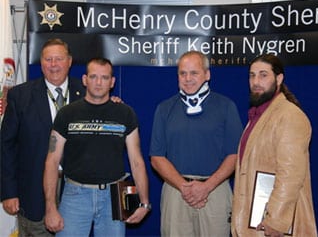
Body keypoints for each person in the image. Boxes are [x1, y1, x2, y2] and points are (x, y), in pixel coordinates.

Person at [43, 57, 150, 236]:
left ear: (112, 82)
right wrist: (50, 207)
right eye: (93, 77)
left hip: (114, 195)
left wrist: (144, 203)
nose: (98, 82)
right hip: (74, 195)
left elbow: (136, 161)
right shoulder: (67, 114)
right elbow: (52, 161)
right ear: (85, 80)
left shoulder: (125, 113)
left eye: (104, 77)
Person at [150, 50, 243, 236]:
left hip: (215, 191)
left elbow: (235, 154)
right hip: (176, 192)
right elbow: (156, 157)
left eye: (194, 73)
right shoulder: (164, 109)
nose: (188, 78)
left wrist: (206, 187)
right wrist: (184, 187)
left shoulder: (226, 106)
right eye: (183, 73)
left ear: (207, 75)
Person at [0, 38, 85, 236]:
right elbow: (6, 146)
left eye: (59, 59)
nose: (53, 65)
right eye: (48, 59)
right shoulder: (20, 96)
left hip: (77, 191)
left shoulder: (87, 94)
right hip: (33, 191)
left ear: (69, 61)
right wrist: (9, 192)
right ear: (41, 62)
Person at [231, 54, 317, 237]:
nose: (256, 81)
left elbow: (291, 174)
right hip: (254, 223)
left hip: (274, 228)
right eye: (252, 75)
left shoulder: (290, 116)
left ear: (279, 78)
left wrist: (276, 220)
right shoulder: (257, 116)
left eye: (263, 75)